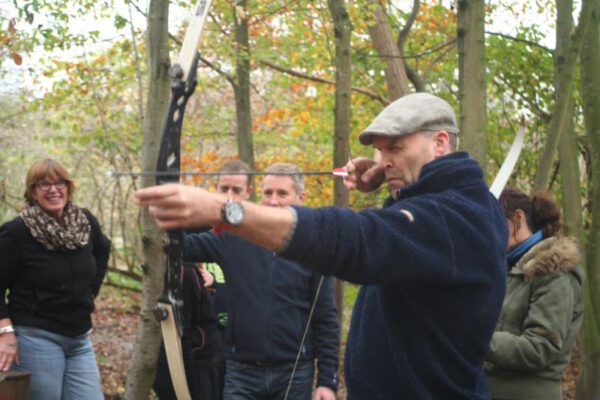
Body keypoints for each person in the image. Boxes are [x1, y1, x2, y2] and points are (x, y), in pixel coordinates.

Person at [135, 92, 508, 399]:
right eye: (379, 151)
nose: (383, 160)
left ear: (440, 142)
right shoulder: (457, 202)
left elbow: (359, 239)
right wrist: (390, 183)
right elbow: (405, 238)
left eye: (394, 148)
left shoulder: (456, 217)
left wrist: (224, 210)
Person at [183, 161, 339, 400]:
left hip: (295, 373)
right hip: (241, 372)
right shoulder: (236, 235)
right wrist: (181, 206)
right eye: (268, 193)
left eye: (282, 193)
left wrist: (327, 381)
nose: (273, 200)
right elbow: (182, 248)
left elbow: (326, 317)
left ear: (301, 197)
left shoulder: (314, 248)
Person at [0, 158, 111, 400]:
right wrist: (5, 333)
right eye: (43, 184)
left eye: (59, 182)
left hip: (80, 337)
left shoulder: (85, 222)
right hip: (36, 336)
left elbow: (103, 250)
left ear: (68, 187)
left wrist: (91, 292)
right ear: (32, 191)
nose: (53, 189)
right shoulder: (17, 232)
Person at [485, 188, 583, 400]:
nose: (490, 234)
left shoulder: (553, 273)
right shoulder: (512, 269)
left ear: (518, 219)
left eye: (494, 223)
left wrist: (478, 339)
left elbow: (540, 346)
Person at [153, 262, 225, 400]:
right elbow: (180, 336)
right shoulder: (185, 273)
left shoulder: (192, 272)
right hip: (193, 372)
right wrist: (192, 390)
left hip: (203, 368)